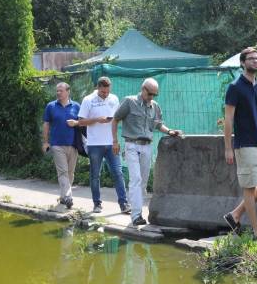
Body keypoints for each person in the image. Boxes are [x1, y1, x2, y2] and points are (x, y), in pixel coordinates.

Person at [222, 47, 257, 238]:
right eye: (251, 59)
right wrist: (228, 147)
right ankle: (256, 231)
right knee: (249, 187)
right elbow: (228, 119)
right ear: (243, 63)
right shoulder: (235, 87)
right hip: (245, 145)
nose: (255, 61)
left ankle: (235, 214)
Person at [112, 78, 182, 226]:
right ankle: (136, 215)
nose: (151, 97)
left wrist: (170, 131)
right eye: (150, 93)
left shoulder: (154, 106)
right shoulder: (129, 101)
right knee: (136, 179)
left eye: (154, 95)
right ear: (143, 89)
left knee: (143, 181)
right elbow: (115, 119)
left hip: (147, 146)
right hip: (132, 145)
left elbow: (158, 125)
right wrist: (115, 141)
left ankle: (137, 210)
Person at [68, 77, 130, 214]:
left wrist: (115, 138)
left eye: (107, 92)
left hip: (111, 143)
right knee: (95, 175)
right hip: (94, 144)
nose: (105, 95)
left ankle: (124, 204)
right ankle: (97, 204)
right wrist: (97, 120)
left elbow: (117, 119)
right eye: (102, 92)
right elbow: (81, 122)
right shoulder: (88, 100)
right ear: (97, 88)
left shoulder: (114, 98)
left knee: (118, 173)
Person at [42, 82, 80, 209]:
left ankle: (63, 197)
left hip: (73, 144)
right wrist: (46, 142)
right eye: (57, 91)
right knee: (62, 172)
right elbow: (46, 124)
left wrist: (76, 123)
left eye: (61, 91)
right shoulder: (51, 106)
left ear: (68, 92)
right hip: (57, 144)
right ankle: (69, 197)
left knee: (70, 173)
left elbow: (82, 123)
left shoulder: (76, 106)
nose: (58, 93)